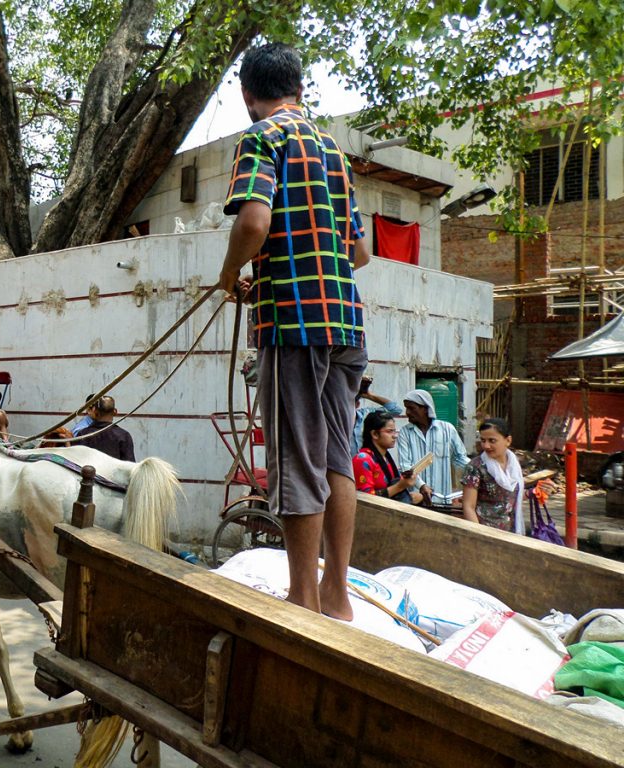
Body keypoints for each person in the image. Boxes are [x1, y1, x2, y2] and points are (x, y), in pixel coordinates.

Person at [217, 43, 370, 619]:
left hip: (294, 328)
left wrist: (232, 274)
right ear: (299, 89)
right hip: (346, 324)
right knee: (337, 460)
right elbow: (357, 251)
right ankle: (338, 598)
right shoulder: (335, 151)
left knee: (295, 463)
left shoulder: (263, 139)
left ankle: (303, 600)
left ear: (247, 95)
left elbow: (254, 220)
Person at [396, 389, 470, 506]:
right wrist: (421, 486)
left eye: (411, 408)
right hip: (415, 500)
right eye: (406, 408)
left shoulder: (447, 429)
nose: (407, 412)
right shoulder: (405, 433)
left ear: (425, 409)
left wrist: (478, 471)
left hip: (442, 499)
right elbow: (405, 466)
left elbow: (460, 458)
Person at [461, 417, 524, 533]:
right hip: (486, 532)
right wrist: (479, 535)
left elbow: (509, 496)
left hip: (511, 533)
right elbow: (468, 506)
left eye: (492, 441)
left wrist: (536, 493)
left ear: (508, 441)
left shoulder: (514, 466)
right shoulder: (476, 467)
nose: (486, 446)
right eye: (483, 440)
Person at [353, 410, 421, 504]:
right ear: (375, 434)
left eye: (394, 431)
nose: (395, 436)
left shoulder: (386, 458)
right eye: (390, 431)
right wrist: (399, 486)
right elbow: (365, 499)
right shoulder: (362, 459)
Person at [350, 377, 402, 458]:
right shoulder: (335, 418)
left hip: (368, 465)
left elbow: (396, 410)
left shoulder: (366, 414)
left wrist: (369, 395)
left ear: (357, 405)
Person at [74, 396, 135, 461]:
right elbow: (130, 465)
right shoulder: (123, 436)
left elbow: (76, 462)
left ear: (95, 412)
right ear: (115, 412)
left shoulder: (83, 434)